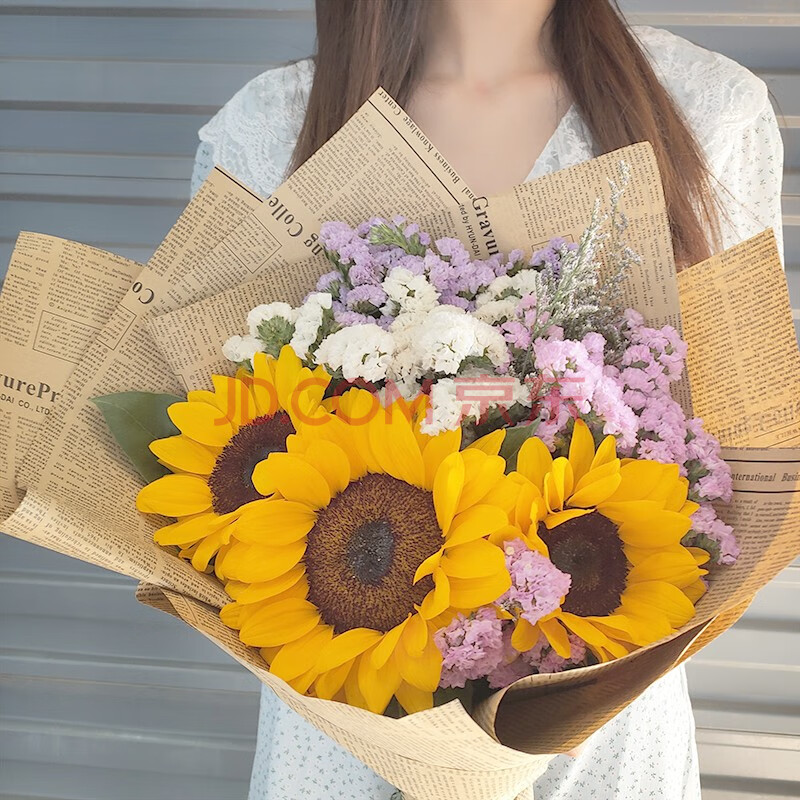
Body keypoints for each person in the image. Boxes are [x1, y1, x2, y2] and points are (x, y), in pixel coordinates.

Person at [191, 1, 784, 797]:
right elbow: (224, 428)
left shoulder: (707, 111)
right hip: (344, 706)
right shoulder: (269, 129)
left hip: (598, 711)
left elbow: (738, 425)